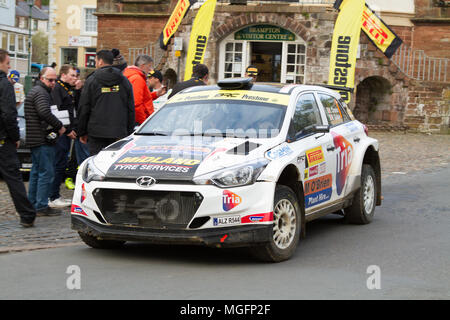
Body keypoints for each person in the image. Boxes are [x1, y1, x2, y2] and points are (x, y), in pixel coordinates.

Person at [0, 50, 37, 227]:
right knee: (14, 178)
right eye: (8, 63)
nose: (9, 67)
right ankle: (27, 214)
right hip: (3, 139)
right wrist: (14, 136)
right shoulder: (4, 84)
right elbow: (8, 114)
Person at [25, 67, 66, 216]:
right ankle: (41, 205)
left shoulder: (36, 91)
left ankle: (33, 203)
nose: (53, 83)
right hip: (42, 139)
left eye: (55, 80)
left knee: (37, 172)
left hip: (36, 138)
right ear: (42, 78)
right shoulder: (41, 92)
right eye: (50, 80)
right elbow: (44, 112)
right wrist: (59, 126)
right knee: (46, 173)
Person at [77, 50, 135, 156]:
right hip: (118, 132)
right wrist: (129, 130)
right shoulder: (124, 80)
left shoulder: (92, 80)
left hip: (96, 132)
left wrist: (81, 131)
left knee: (97, 161)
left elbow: (84, 107)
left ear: (100, 61)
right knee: (114, 161)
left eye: (95, 61)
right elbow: (130, 107)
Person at [48, 65, 78, 208]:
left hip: (65, 132)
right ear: (63, 75)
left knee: (61, 163)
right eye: (72, 75)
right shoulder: (58, 89)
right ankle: (52, 196)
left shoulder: (66, 89)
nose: (75, 78)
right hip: (61, 134)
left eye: (76, 75)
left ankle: (54, 194)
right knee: (58, 164)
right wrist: (67, 130)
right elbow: (58, 113)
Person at [123, 55, 166, 125]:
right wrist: (144, 123)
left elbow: (141, 99)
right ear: (143, 66)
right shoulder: (138, 79)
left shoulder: (133, 76)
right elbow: (136, 104)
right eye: (149, 66)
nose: (151, 69)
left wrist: (156, 94)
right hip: (139, 122)